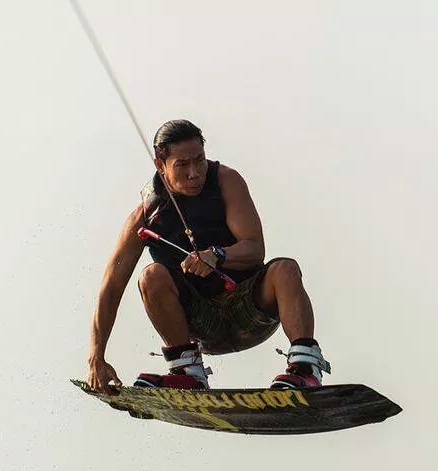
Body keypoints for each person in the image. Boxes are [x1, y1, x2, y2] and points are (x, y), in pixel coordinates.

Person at [87, 119, 330, 393]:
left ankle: (305, 369)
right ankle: (188, 373)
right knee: (150, 276)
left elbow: (254, 248)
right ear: (160, 165)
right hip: (201, 323)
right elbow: (111, 287)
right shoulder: (145, 216)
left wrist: (217, 255)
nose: (194, 173)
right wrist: (97, 356)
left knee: (285, 269)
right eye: (181, 165)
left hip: (249, 310)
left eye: (199, 161)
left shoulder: (226, 181)